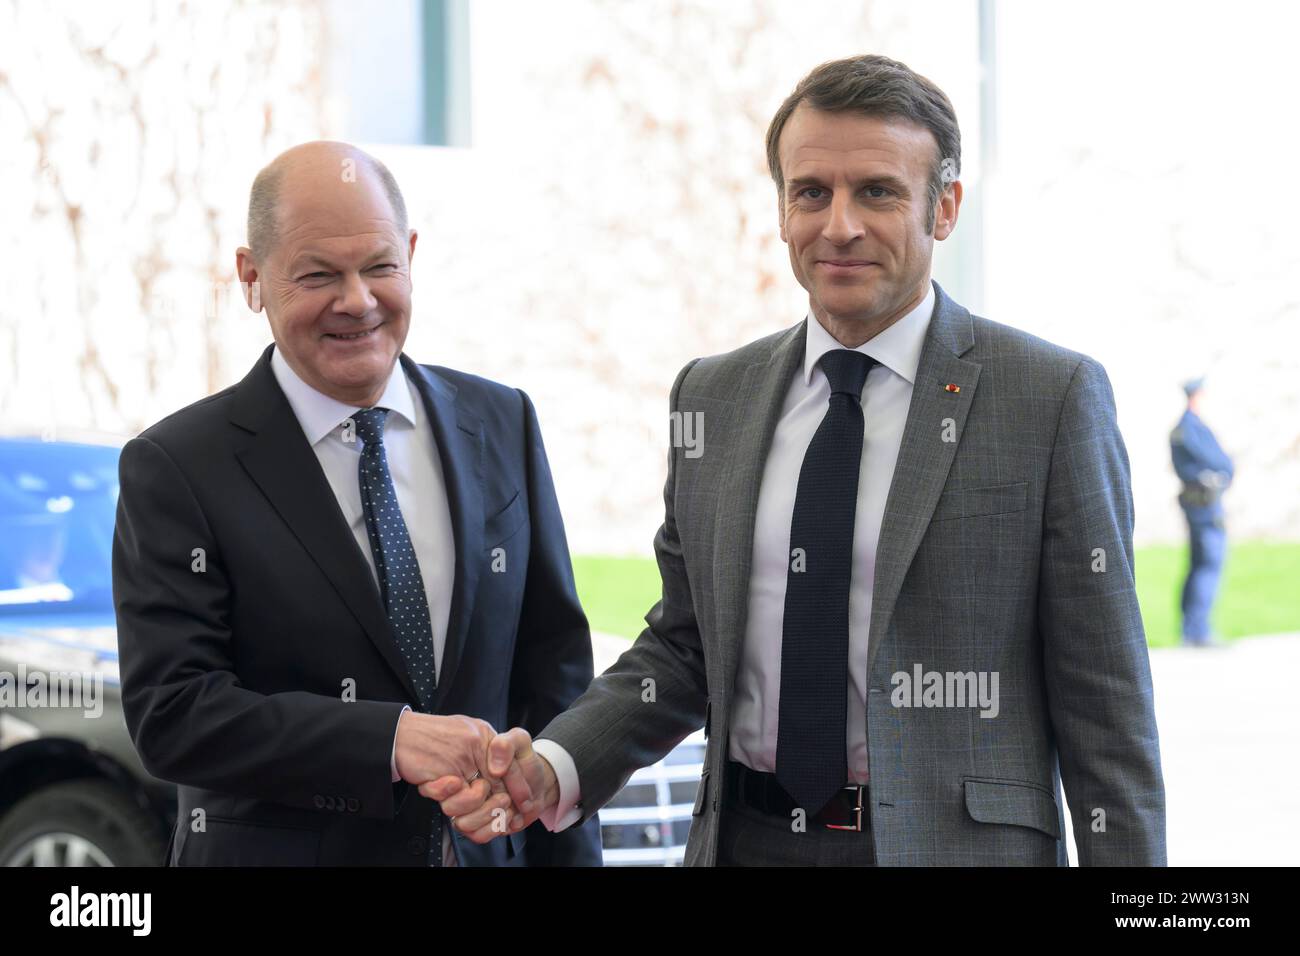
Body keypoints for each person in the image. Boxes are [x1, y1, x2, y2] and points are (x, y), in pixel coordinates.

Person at [429, 54, 1167, 867]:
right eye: (811, 192)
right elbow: (685, 646)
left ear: (944, 207)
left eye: (878, 191)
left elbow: (1106, 705)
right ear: (781, 209)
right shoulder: (712, 396)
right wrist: (555, 764)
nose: (839, 225)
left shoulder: (1049, 397)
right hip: (743, 843)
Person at [112, 141, 602, 867]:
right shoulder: (178, 466)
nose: (358, 301)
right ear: (252, 277)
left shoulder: (502, 422)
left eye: (379, 267)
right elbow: (174, 713)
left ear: (409, 253)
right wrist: (390, 739)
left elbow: (554, 676)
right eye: (318, 275)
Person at [1170, 377, 1234, 646]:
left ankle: (1193, 628)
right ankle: (1197, 630)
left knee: (1201, 563)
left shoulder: (1188, 428)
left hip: (1203, 504)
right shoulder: (1189, 428)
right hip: (1203, 506)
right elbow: (1217, 462)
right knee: (1208, 563)